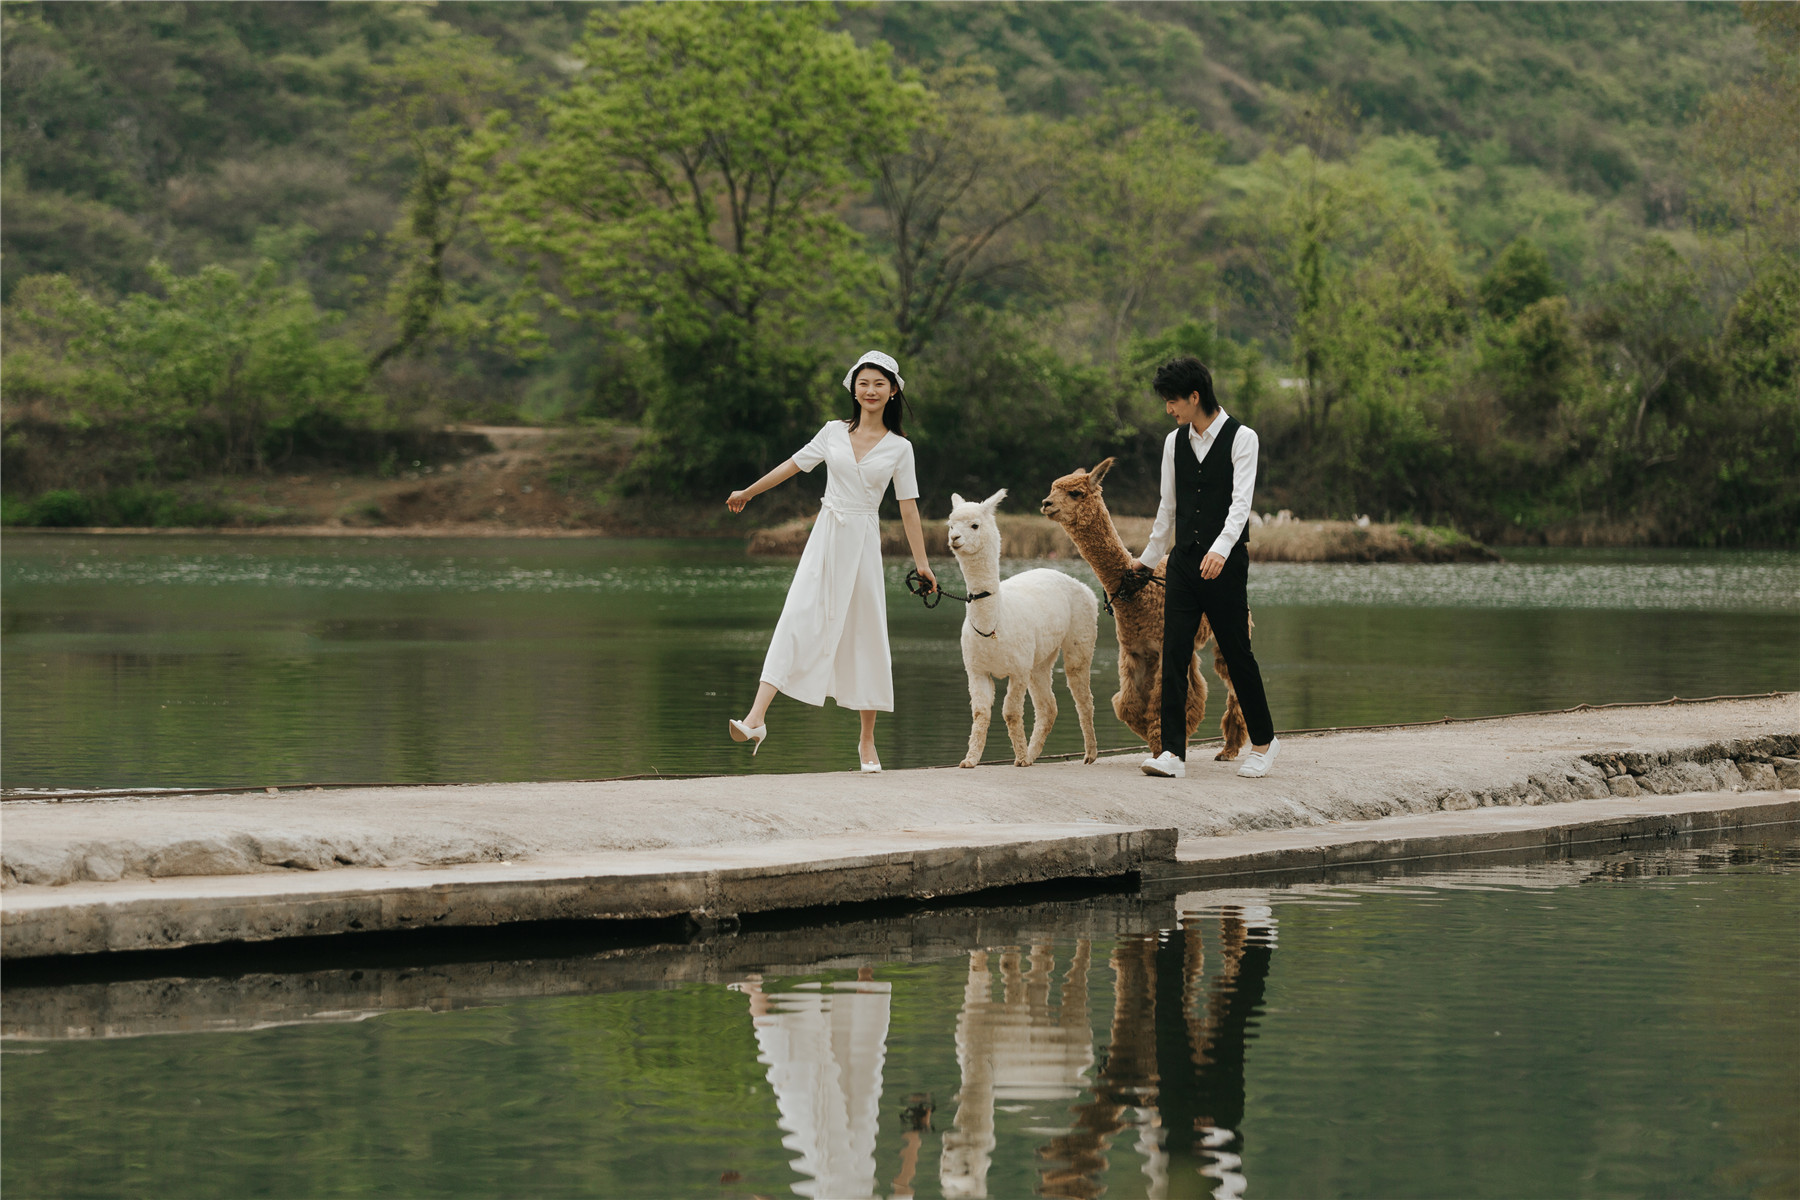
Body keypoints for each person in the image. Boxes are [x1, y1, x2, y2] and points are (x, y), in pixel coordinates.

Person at [726, 350, 937, 772]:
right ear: (853, 390)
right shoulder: (832, 432)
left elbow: (908, 508)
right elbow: (792, 465)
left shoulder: (901, 448)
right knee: (796, 617)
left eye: (879, 384)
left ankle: (867, 741)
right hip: (826, 537)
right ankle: (755, 718)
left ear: (893, 391)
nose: (870, 390)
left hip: (863, 543)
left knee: (866, 633)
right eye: (863, 383)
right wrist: (748, 492)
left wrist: (922, 563)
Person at [1125, 356, 1279, 780]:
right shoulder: (1173, 442)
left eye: (1172, 401)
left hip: (1225, 564)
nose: (1168, 409)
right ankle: (1172, 753)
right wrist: (1148, 560)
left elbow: (1241, 504)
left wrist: (1222, 549)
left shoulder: (1242, 438)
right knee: (1174, 653)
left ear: (1195, 397)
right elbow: (1167, 508)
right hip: (1184, 563)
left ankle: (1264, 744)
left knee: (1237, 653)